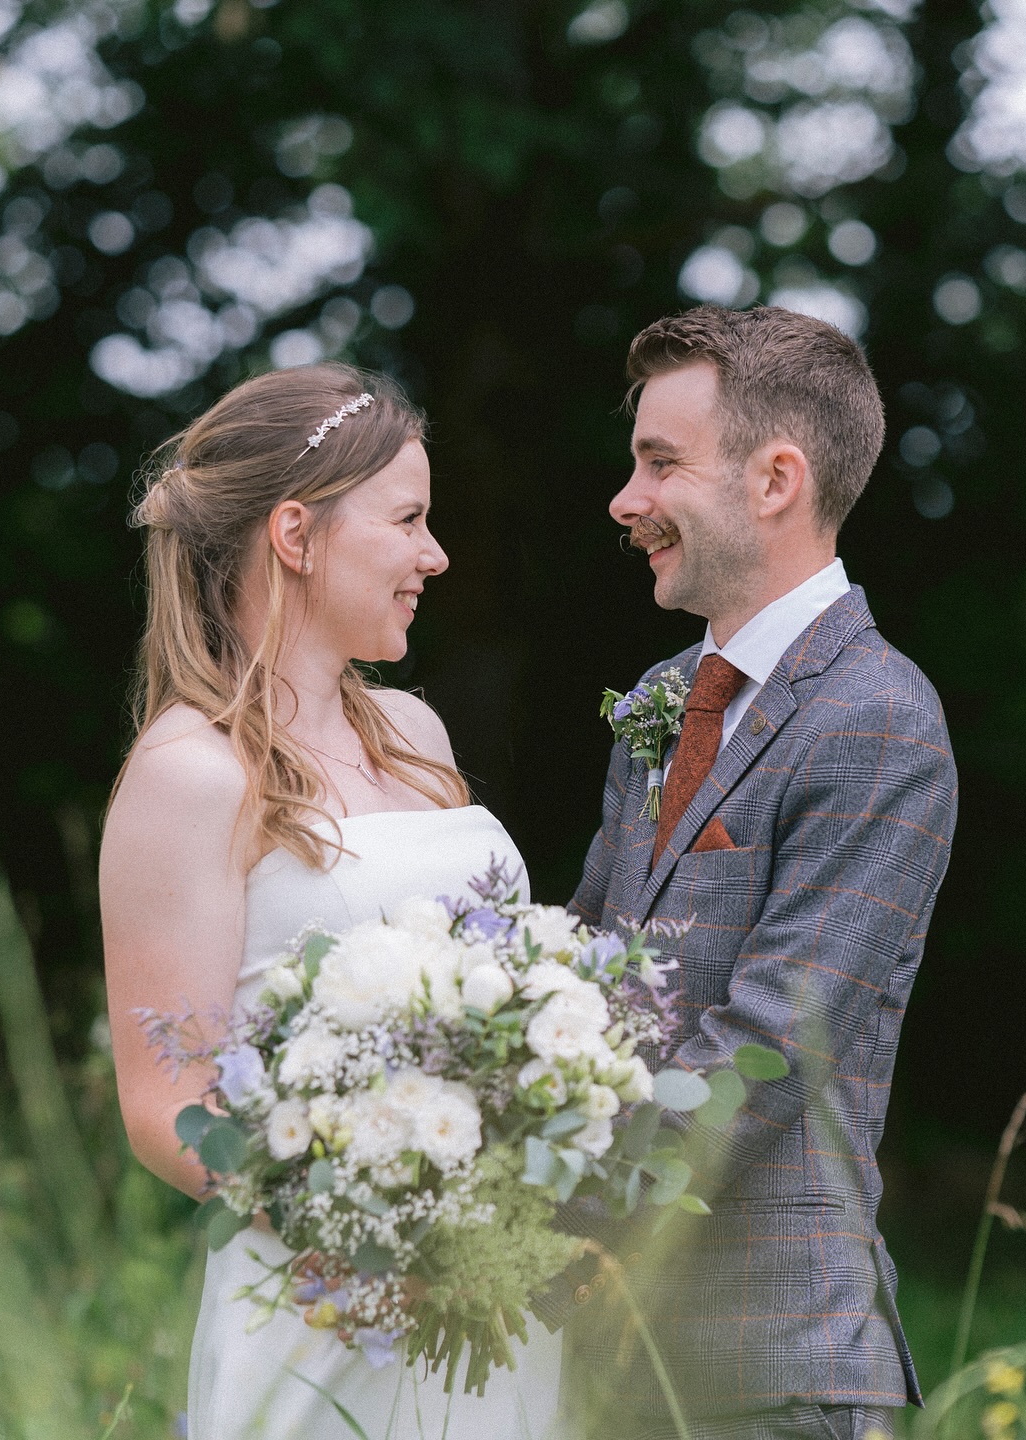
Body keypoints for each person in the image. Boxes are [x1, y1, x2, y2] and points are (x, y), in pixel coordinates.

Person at [98, 363, 563, 1440]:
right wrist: (383, 1235)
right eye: (407, 520)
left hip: (496, 1294)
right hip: (333, 1307)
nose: (434, 556)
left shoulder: (414, 733)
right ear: (297, 535)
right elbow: (165, 1105)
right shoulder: (191, 774)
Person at [557, 305, 959, 1440]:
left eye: (660, 464)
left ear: (776, 479)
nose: (625, 500)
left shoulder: (877, 716)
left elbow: (771, 1045)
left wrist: (539, 1207)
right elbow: (583, 963)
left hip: (771, 1363)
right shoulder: (660, 700)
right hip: (611, 1356)